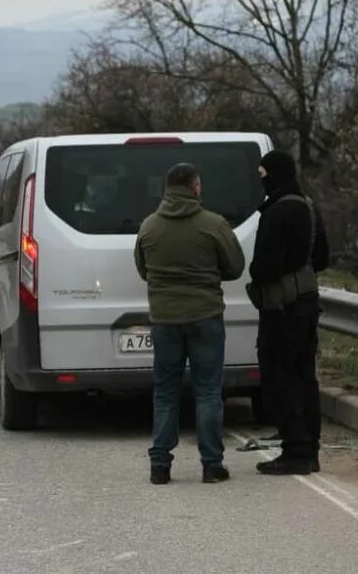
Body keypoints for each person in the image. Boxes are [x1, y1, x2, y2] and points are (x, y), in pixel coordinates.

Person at [134, 163, 246, 485]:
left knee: (165, 392)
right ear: (195, 188)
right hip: (205, 317)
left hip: (165, 319)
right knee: (208, 391)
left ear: (166, 189)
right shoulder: (213, 225)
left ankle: (160, 465)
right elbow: (235, 266)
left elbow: (143, 269)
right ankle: (212, 464)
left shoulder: (149, 227)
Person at [248, 150, 330, 475]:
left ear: (273, 175)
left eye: (263, 174)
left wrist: (264, 273)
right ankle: (310, 448)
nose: (261, 181)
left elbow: (263, 267)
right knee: (305, 377)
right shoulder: (309, 207)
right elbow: (322, 258)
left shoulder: (277, 211)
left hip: (281, 309)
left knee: (280, 378)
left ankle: (294, 450)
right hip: (308, 304)